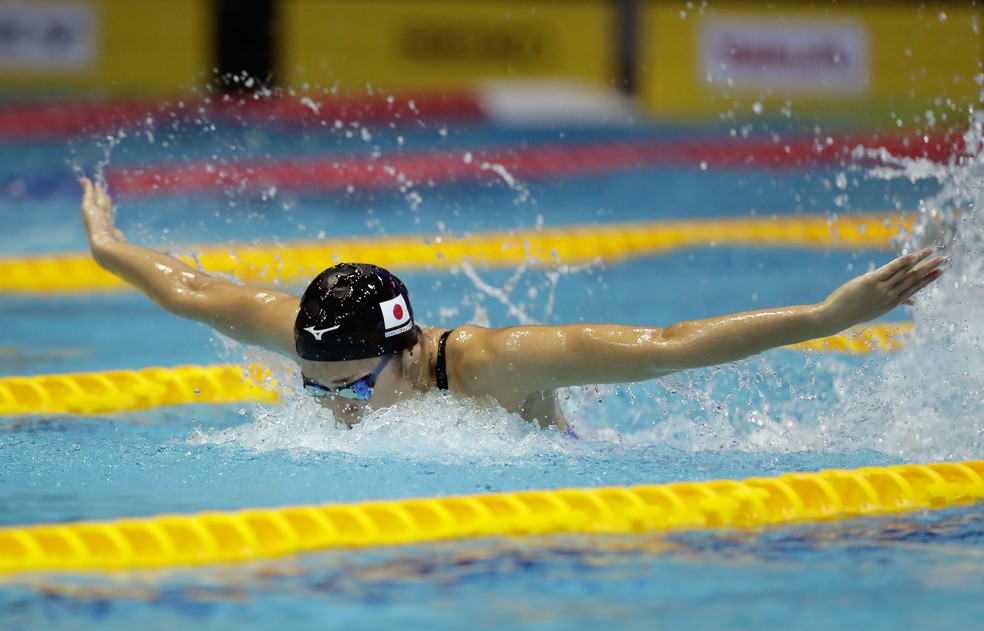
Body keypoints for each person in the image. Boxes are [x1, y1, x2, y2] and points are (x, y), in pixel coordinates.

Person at [80, 177, 945, 434]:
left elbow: (668, 343)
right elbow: (195, 293)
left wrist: (831, 318)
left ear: (404, 350)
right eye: (316, 390)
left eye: (346, 389)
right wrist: (112, 248)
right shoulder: (321, 344)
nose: (332, 407)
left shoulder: (489, 366)